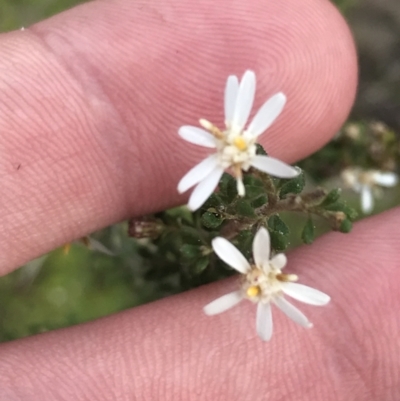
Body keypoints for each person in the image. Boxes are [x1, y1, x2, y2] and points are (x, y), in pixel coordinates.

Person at [0, 0, 398, 399]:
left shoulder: (250, 207)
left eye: (259, 282)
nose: (258, 282)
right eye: (265, 279)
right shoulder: (233, 175)